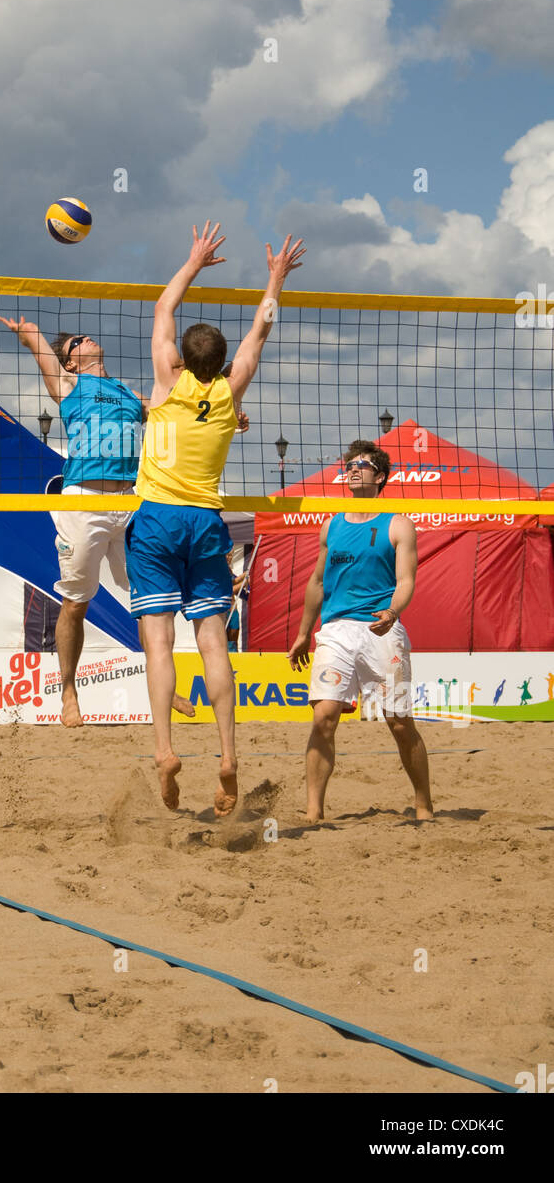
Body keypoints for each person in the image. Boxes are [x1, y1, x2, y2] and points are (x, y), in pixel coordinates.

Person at [127, 221, 304, 815]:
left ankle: (163, 750)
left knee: (158, 642)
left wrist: (194, 261)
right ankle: (228, 754)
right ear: (224, 364)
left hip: (156, 520)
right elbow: (263, 326)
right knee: (211, 643)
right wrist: (275, 276)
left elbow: (162, 306)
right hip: (206, 521)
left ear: (180, 360)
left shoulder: (164, 385)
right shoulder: (233, 394)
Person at [0, 317, 195, 728]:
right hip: (84, 502)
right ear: (70, 363)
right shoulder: (71, 386)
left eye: (84, 336)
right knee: (76, 603)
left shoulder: (125, 390)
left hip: (131, 500)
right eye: (76, 341)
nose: (87, 338)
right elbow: (43, 358)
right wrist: (29, 332)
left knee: (151, 602)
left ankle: (161, 681)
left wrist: (228, 415)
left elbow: (176, 410)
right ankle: (68, 690)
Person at [287, 441, 434, 823]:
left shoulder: (397, 523)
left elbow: (406, 580)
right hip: (335, 631)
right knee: (324, 718)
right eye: (349, 464)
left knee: (399, 723)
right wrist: (304, 632)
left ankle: (423, 804)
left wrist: (392, 610)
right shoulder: (331, 523)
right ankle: (313, 812)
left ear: (380, 476)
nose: (352, 469)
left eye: (362, 464)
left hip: (381, 630)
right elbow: (317, 582)